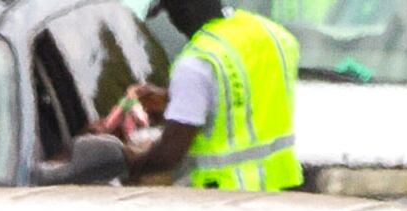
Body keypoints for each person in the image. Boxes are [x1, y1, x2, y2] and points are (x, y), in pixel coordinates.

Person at [94, 0, 299, 189]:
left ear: (183, 8)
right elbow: (248, 95)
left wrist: (121, 168)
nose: (172, 21)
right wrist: (174, 99)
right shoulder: (271, 34)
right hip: (276, 194)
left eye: (169, 11)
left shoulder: (198, 61)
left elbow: (168, 155)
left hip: (220, 200)